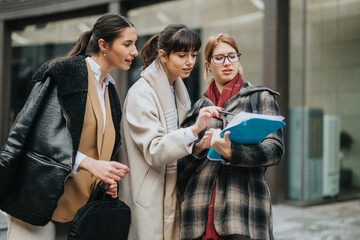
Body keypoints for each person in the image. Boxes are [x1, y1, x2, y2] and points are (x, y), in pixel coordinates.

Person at [0, 13, 137, 240]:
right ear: (103, 44)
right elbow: (37, 138)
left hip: (78, 206)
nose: (134, 51)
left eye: (135, 44)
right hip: (38, 198)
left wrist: (103, 180)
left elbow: (98, 146)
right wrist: (91, 164)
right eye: (127, 44)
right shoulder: (66, 73)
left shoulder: (110, 90)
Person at [118, 24, 221, 240]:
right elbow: (155, 150)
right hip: (149, 194)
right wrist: (194, 130)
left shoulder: (177, 89)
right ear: (163, 56)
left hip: (170, 192)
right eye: (182, 55)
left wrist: (200, 143)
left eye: (193, 54)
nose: (190, 61)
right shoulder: (142, 93)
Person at [178, 33, 285, 240]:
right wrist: (199, 147)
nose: (227, 63)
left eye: (232, 56)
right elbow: (180, 168)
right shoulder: (197, 110)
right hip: (198, 214)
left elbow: (275, 150)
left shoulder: (260, 98)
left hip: (243, 211)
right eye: (219, 58)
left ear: (238, 59)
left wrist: (230, 151)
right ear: (208, 64)